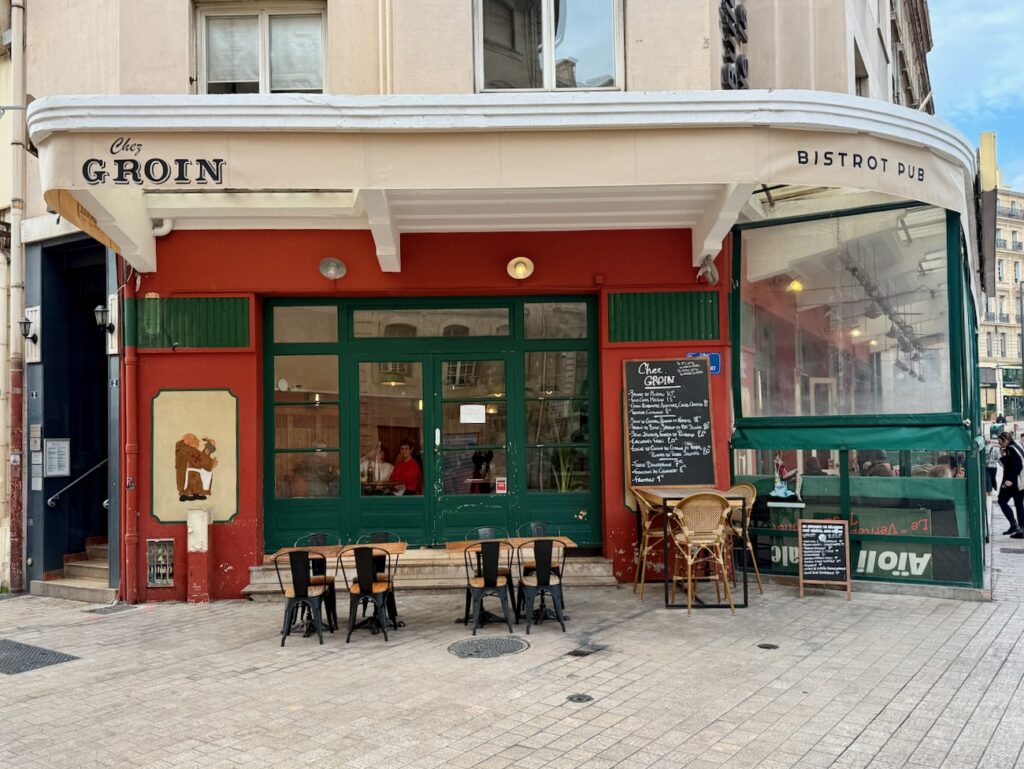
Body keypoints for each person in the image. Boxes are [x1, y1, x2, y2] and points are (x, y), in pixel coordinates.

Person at [997, 432, 1024, 537]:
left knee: (1002, 501)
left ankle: (1015, 526)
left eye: (1000, 442)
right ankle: (1020, 528)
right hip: (1020, 482)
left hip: (1014, 482)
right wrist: (1003, 456)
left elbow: (1017, 465)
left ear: (1005, 440)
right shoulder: (1016, 445)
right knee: (1019, 504)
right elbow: (1011, 463)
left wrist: (1010, 480)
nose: (1000, 444)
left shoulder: (1011, 449)